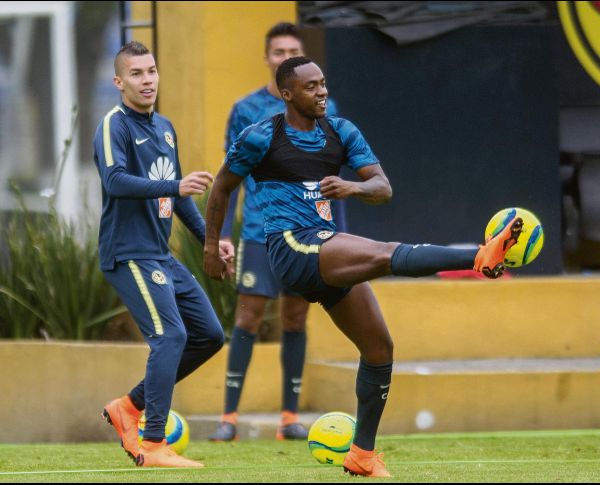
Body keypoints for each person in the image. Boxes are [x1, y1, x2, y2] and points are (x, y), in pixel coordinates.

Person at [203, 57, 518, 478]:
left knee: (379, 349)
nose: (322, 92)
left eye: (324, 83)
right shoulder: (261, 137)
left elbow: (382, 187)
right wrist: (210, 246)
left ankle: (362, 456)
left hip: (325, 249)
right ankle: (478, 256)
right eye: (311, 86)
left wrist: (352, 186)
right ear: (287, 94)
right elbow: (221, 188)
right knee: (382, 252)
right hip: (290, 246)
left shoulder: (341, 131)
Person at [94, 41, 233, 468]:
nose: (147, 79)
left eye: (151, 70)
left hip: (159, 255)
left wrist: (212, 240)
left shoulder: (166, 127)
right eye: (136, 73)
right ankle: (152, 443)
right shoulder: (113, 125)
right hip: (129, 253)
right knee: (170, 337)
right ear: (119, 82)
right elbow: (116, 181)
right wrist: (176, 186)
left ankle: (128, 408)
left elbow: (179, 196)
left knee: (209, 335)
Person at [209, 22, 341, 443]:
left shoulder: (326, 107)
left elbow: (333, 177)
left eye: (293, 51)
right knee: (247, 316)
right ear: (268, 58)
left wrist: (336, 234)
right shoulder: (245, 110)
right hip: (259, 230)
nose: (286, 57)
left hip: (307, 232)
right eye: (278, 51)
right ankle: (228, 418)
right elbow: (226, 180)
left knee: (295, 317)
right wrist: (222, 235)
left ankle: (290, 418)